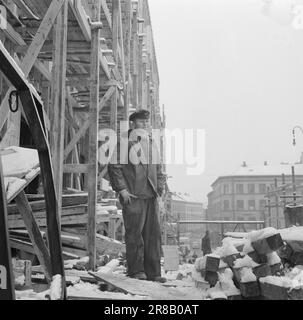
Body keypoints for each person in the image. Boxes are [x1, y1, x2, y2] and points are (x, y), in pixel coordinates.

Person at [108, 109, 167, 283]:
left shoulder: (151, 142)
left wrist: (160, 188)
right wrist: (122, 189)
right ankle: (136, 270)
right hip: (133, 196)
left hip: (150, 196)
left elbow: (158, 168)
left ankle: (154, 272)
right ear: (133, 124)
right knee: (135, 235)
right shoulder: (125, 142)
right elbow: (114, 166)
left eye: (146, 123)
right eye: (141, 122)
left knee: (153, 235)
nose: (145, 125)